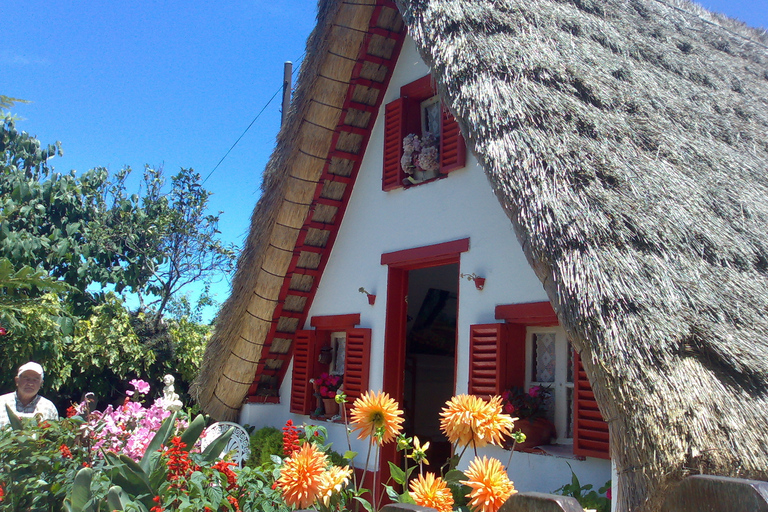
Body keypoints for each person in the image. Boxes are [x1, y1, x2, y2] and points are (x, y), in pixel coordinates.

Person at [0, 362, 59, 427]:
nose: (30, 383)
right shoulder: (1, 402)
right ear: (17, 381)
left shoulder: (48, 407)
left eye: (35, 380)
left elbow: (55, 435)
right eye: (26, 379)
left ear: (41, 383)